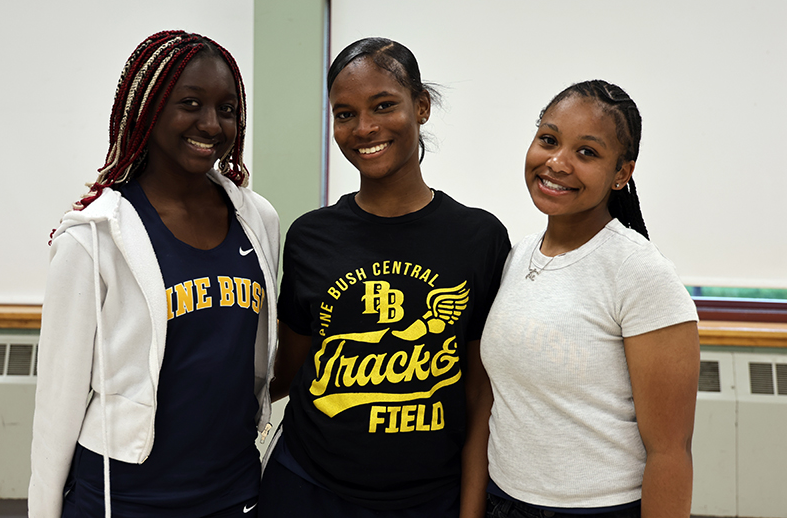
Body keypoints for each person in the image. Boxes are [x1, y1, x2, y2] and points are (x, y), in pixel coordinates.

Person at [28, 30, 279, 518]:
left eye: (227, 109)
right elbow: (57, 401)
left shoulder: (258, 218)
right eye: (190, 103)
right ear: (148, 111)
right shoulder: (93, 236)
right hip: (125, 496)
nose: (211, 124)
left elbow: (250, 364)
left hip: (232, 488)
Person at [258, 37, 511, 518]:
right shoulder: (311, 236)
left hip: (431, 497)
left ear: (421, 107)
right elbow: (288, 370)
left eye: (383, 105)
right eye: (345, 113)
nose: (364, 127)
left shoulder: (478, 238)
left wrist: (471, 508)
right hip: (306, 490)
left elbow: (481, 394)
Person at [481, 80, 700, 517]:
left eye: (587, 152)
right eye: (549, 140)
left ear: (622, 173)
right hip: (504, 500)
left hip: (598, 509)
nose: (557, 162)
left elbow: (670, 453)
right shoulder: (519, 253)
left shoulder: (639, 272)